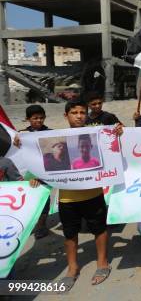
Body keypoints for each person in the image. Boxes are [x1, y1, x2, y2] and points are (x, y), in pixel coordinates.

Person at [18, 100, 121, 291]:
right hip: (67, 198)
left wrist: (118, 134)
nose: (79, 116)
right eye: (74, 112)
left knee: (99, 229)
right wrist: (22, 145)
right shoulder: (56, 137)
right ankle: (72, 268)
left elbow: (114, 150)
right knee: (70, 235)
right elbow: (38, 158)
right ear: (66, 115)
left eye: (83, 112)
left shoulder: (97, 135)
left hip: (93, 194)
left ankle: (102, 262)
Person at [21, 105, 52, 239]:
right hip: (29, 172)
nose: (39, 120)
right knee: (29, 199)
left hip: (46, 171)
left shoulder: (51, 132)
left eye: (41, 118)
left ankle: (41, 225)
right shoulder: (22, 134)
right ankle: (31, 224)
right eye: (35, 118)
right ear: (27, 119)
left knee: (44, 198)